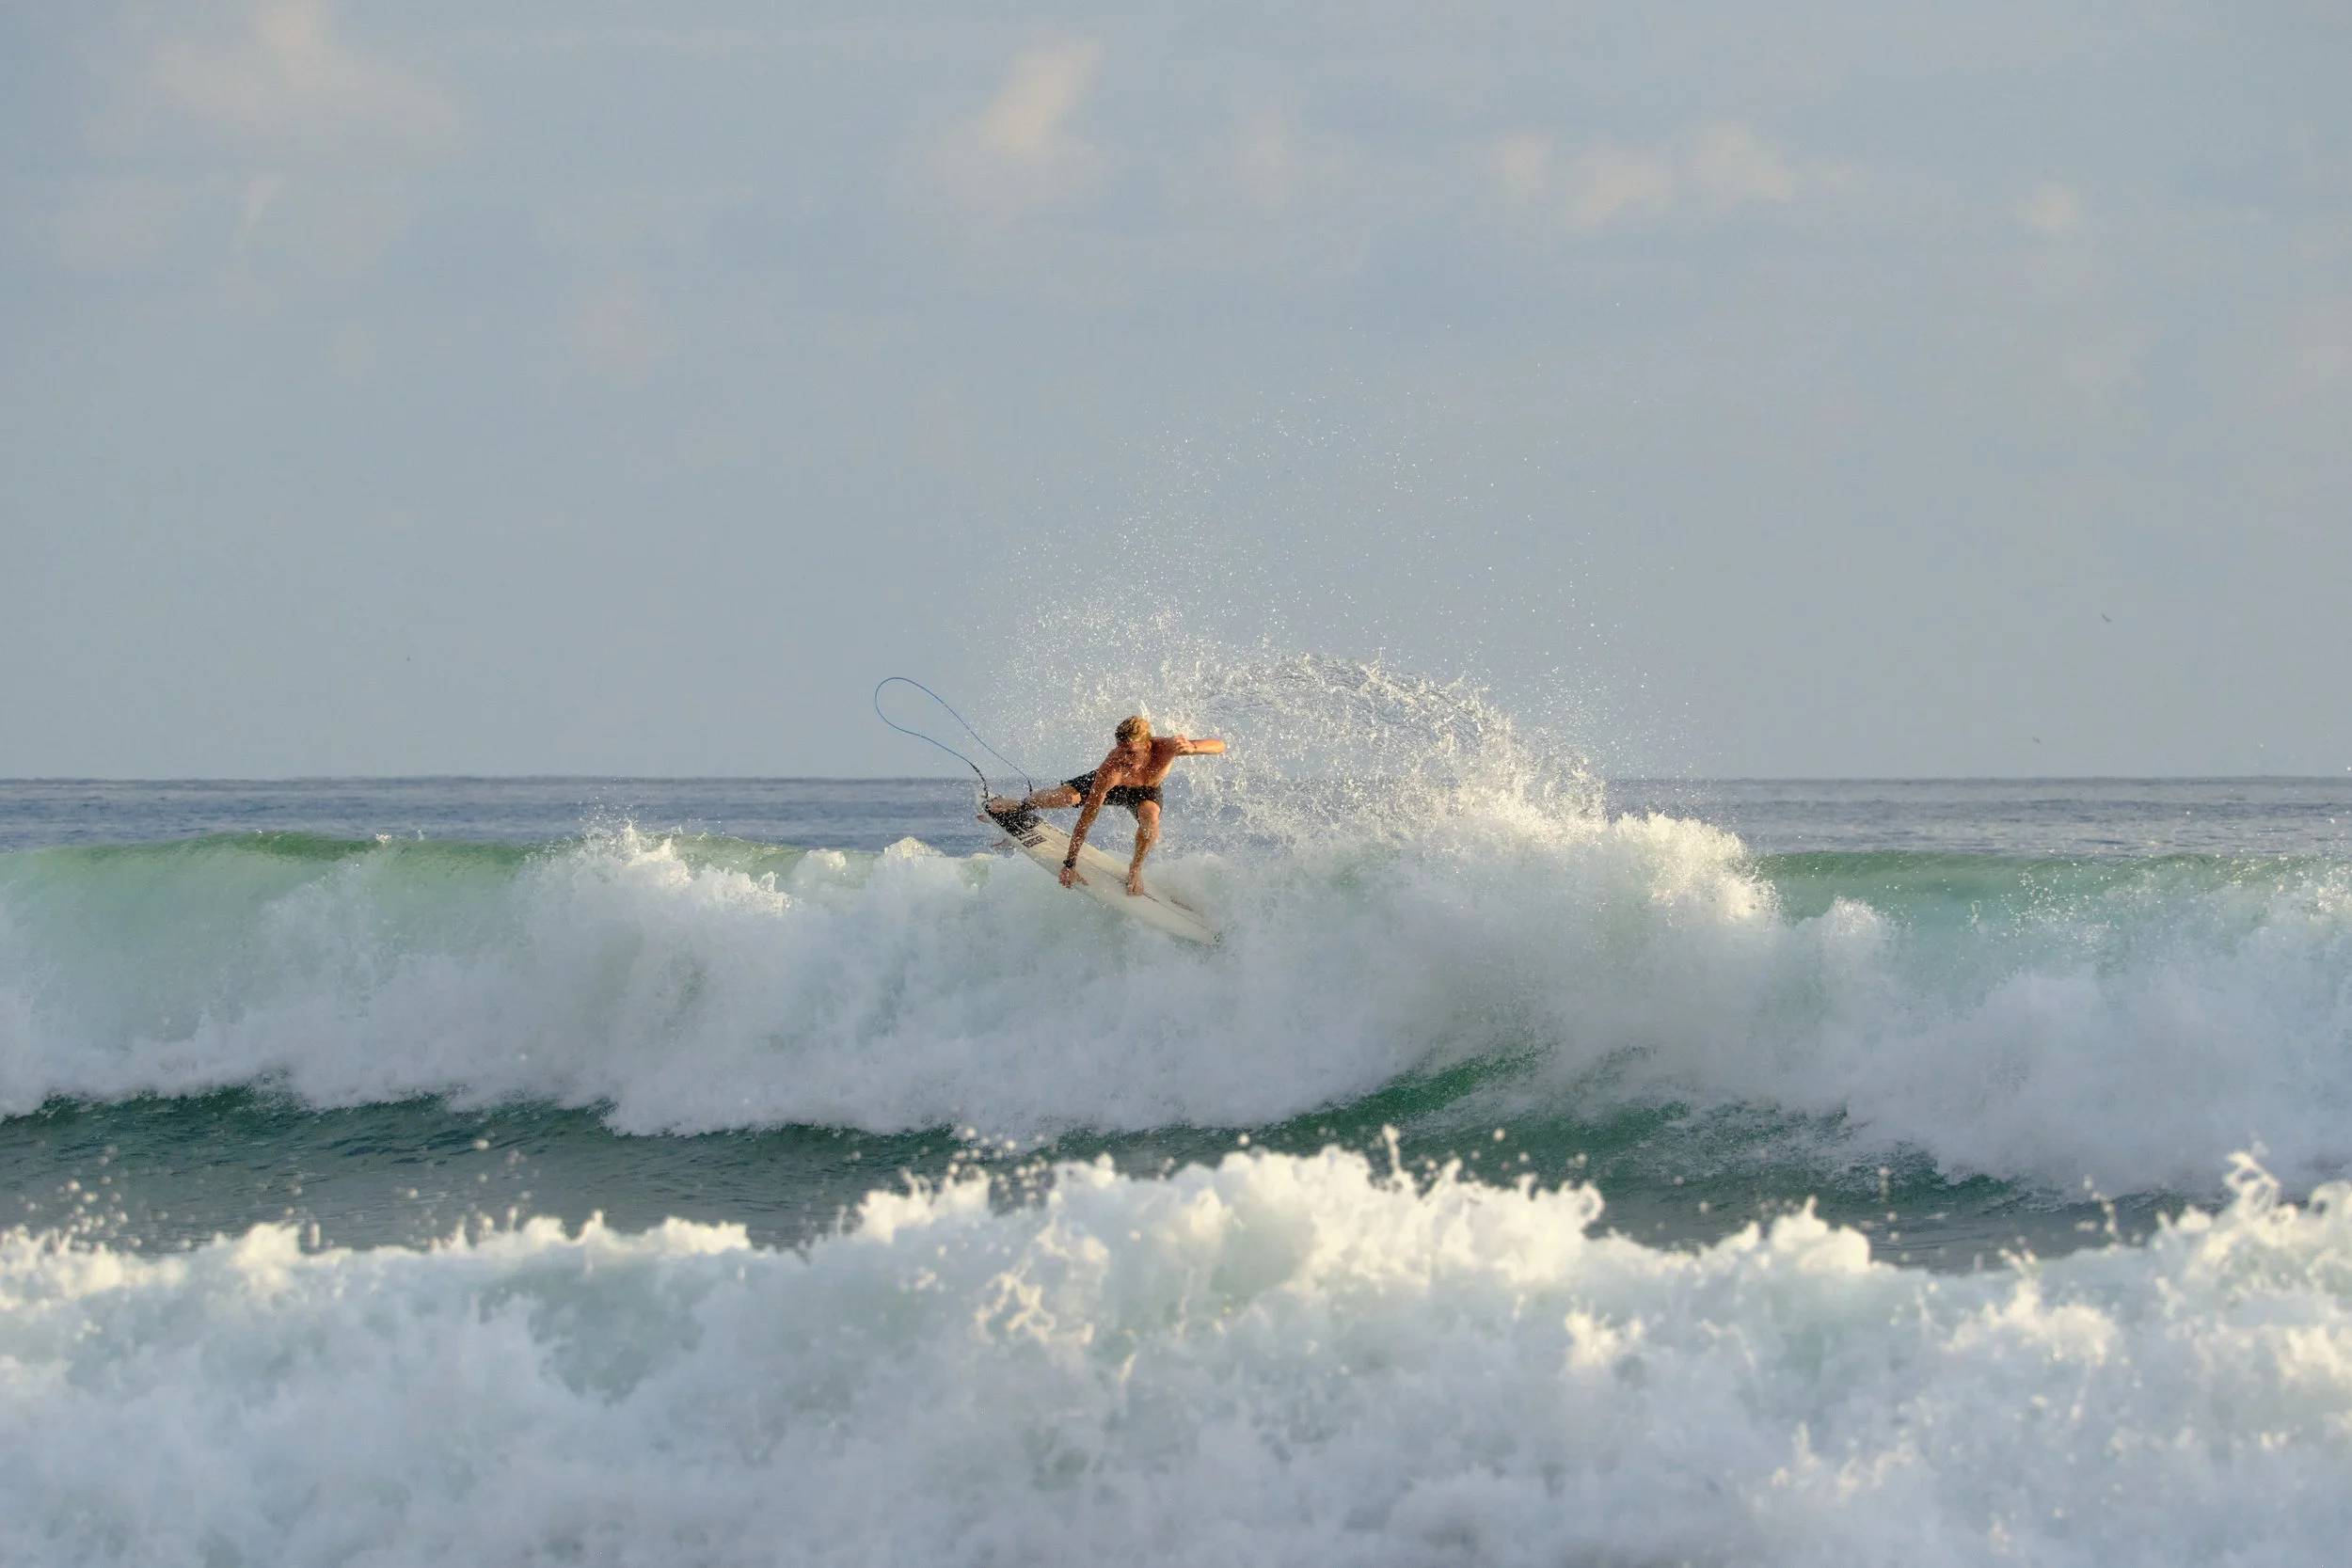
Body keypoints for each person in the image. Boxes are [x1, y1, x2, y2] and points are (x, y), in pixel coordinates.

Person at [988, 716, 1226, 895]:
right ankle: (1020, 804)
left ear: (1148, 746)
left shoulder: (1167, 748)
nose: (1124, 759)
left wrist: (1195, 748)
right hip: (1112, 785)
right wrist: (1070, 863)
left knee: (1150, 818)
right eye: (1120, 751)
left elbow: (1220, 745)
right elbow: (1087, 819)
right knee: (1064, 798)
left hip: (1146, 791)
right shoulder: (1111, 769)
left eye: (1131, 753)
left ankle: (1135, 869)